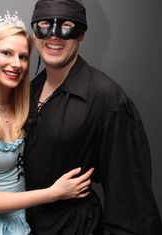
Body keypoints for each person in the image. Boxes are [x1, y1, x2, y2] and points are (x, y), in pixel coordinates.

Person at [0, 11, 94, 235]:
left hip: (21, 222)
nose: (16, 64)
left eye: (23, 57)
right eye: (7, 53)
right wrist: (54, 193)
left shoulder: (22, 104)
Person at [24, 0, 162, 234]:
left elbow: (129, 194)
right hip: (23, 225)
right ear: (35, 31)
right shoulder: (29, 90)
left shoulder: (106, 97)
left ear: (82, 34)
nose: (54, 36)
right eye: (45, 24)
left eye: (66, 25)